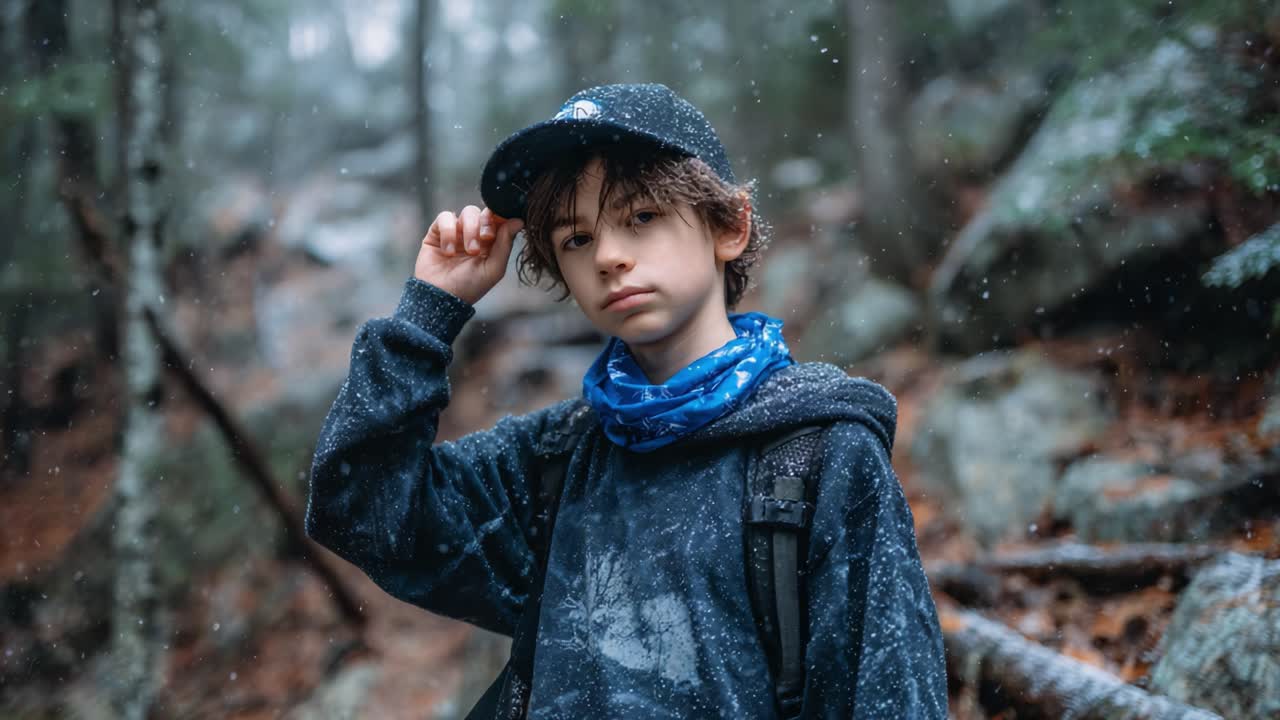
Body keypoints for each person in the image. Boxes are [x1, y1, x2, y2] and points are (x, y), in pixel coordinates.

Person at [305, 83, 947, 719]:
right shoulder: (554, 462)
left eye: (641, 217)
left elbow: (888, 699)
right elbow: (363, 508)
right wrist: (430, 311)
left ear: (728, 225)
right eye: (576, 239)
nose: (609, 256)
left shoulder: (820, 455)